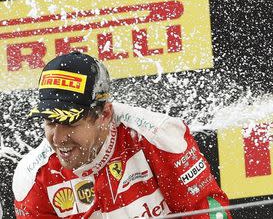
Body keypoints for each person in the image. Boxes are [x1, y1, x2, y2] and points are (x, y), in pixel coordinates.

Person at [13, 51, 231, 218]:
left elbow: (210, 210)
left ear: (105, 114)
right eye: (50, 122)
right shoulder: (32, 178)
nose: (58, 139)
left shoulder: (158, 137)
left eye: (70, 123)